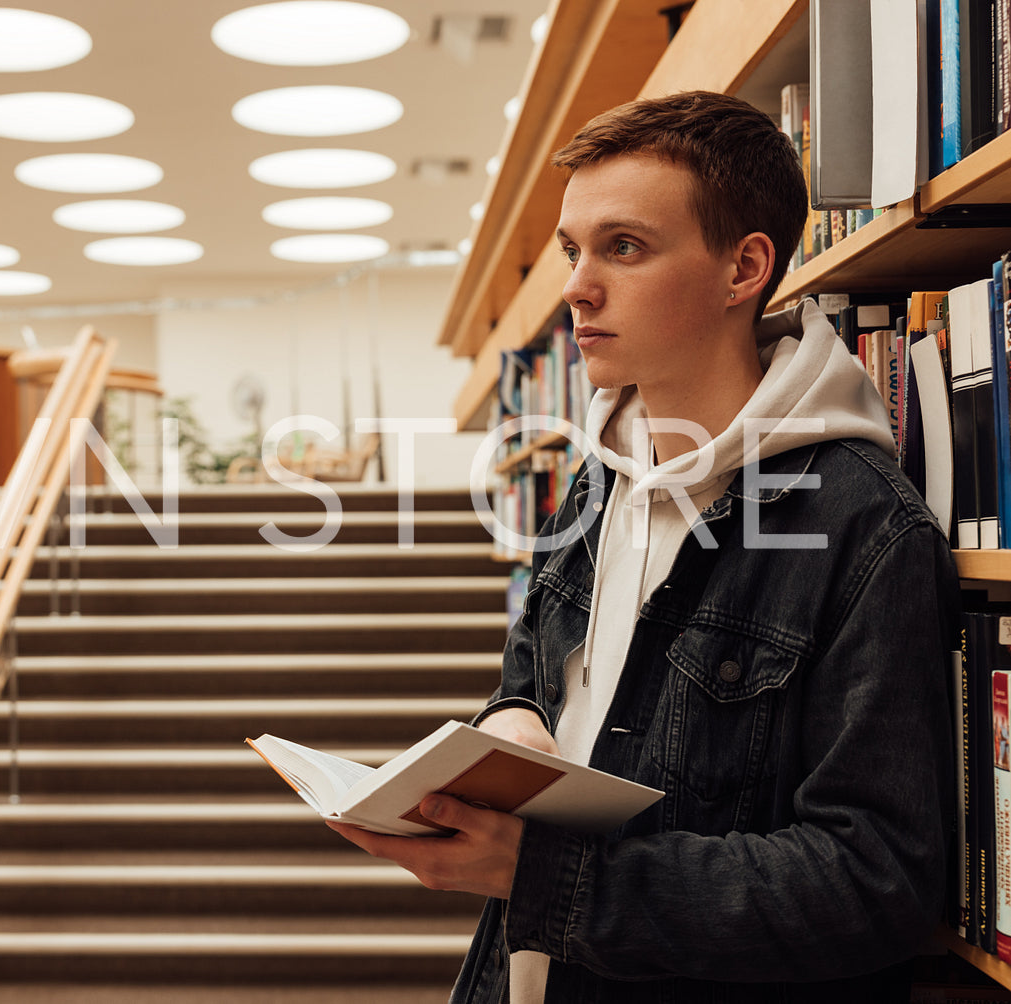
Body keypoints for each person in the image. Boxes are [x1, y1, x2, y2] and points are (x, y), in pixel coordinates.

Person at [328, 90, 959, 1003]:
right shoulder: (593, 482)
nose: (579, 286)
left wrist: (538, 875)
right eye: (571, 251)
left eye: (623, 247)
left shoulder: (861, 526)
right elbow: (533, 680)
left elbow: (873, 883)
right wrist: (509, 724)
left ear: (743, 268)